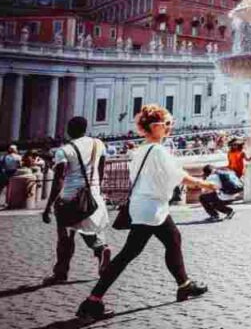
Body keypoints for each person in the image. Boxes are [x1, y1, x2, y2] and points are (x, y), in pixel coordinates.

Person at [76, 104, 217, 320]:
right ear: (155, 126)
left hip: (145, 206)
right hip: (152, 208)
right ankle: (92, 301)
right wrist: (204, 184)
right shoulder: (158, 151)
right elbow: (177, 176)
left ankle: (184, 284)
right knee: (129, 254)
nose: (170, 128)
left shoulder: (140, 150)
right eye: (167, 124)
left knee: (171, 241)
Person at [41, 116, 112, 285]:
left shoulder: (65, 150)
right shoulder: (98, 144)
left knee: (65, 237)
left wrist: (48, 206)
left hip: (70, 197)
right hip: (93, 195)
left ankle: (61, 273)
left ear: (69, 130)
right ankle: (101, 249)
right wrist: (96, 189)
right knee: (85, 228)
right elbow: (101, 169)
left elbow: (59, 180)